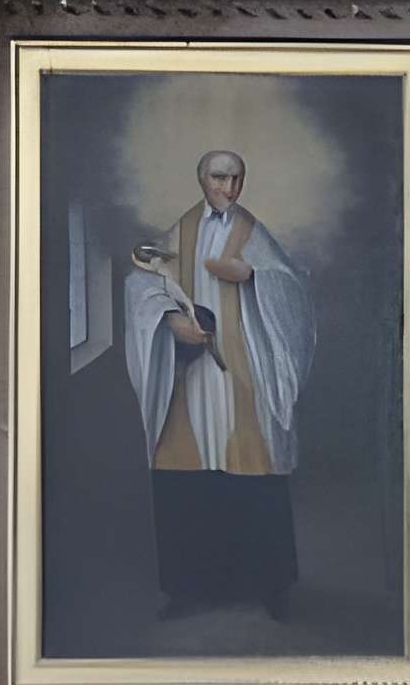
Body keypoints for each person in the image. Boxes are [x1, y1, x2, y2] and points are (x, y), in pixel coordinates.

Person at [120, 151, 315, 619]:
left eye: (237, 177)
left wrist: (253, 276)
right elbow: (141, 278)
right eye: (219, 177)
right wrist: (170, 320)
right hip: (192, 378)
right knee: (188, 480)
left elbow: (292, 287)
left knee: (254, 477)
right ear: (201, 179)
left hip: (243, 377)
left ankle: (269, 586)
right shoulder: (182, 229)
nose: (229, 187)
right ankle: (190, 587)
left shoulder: (252, 231)